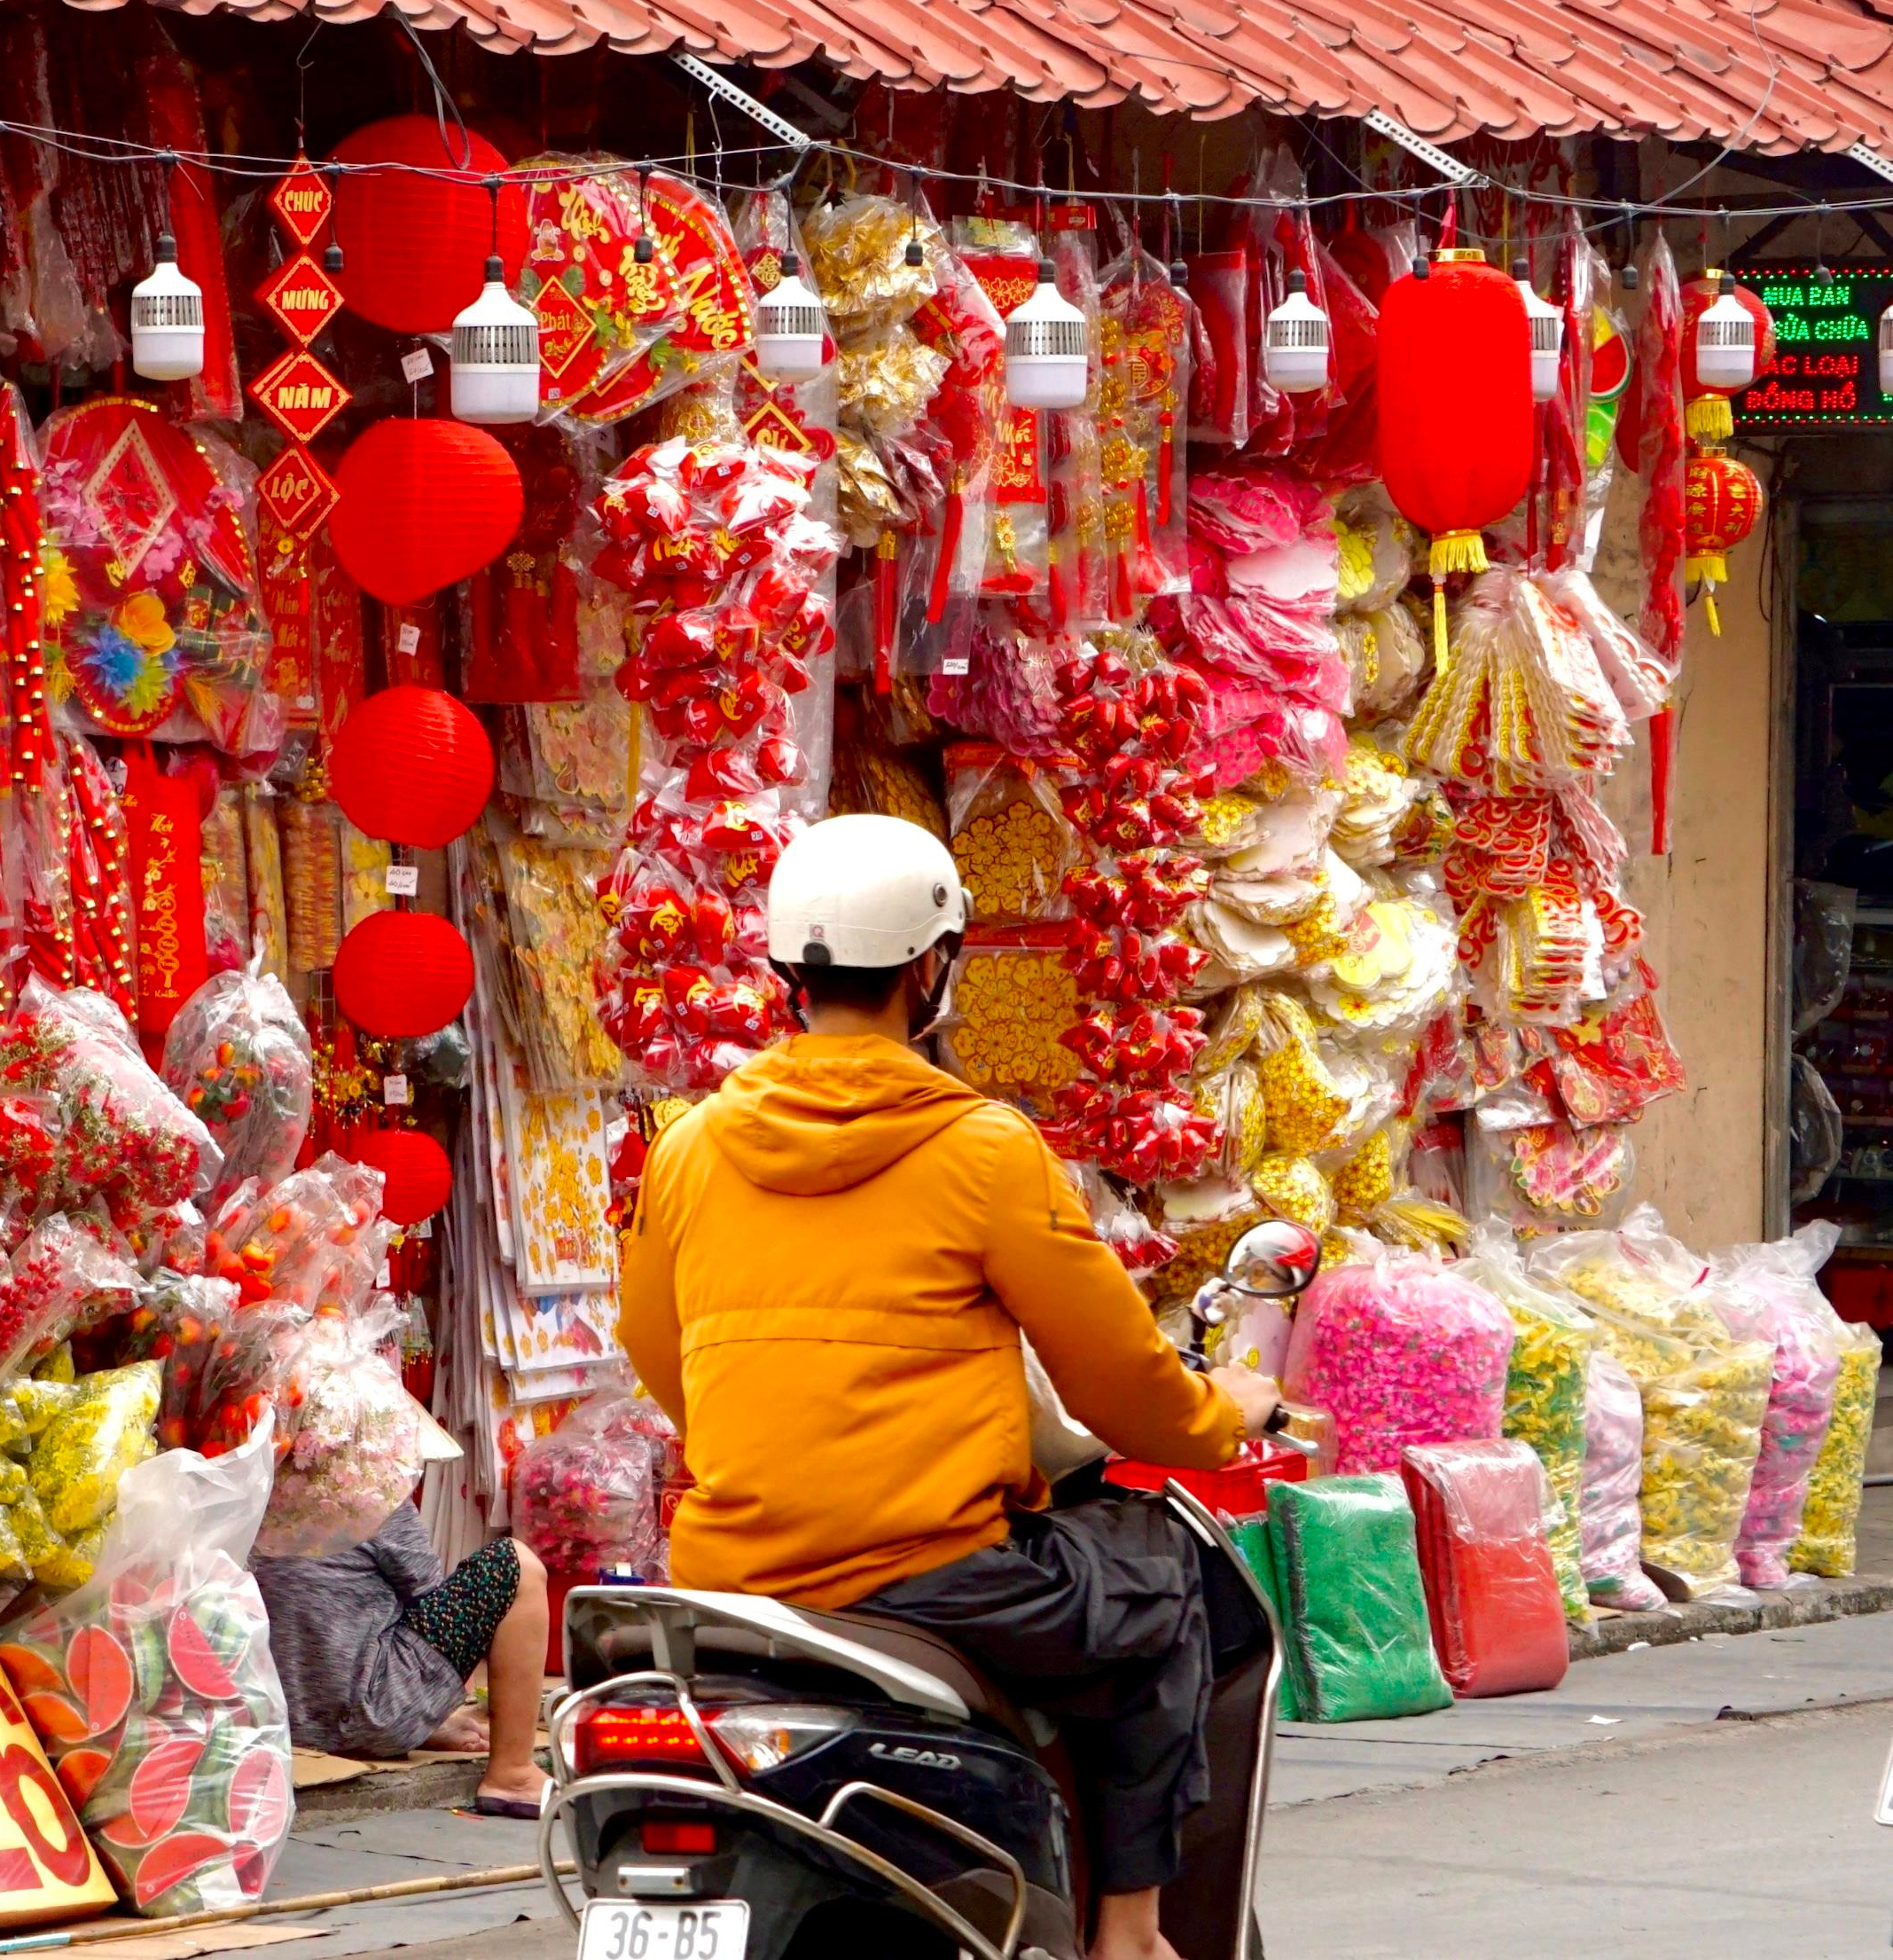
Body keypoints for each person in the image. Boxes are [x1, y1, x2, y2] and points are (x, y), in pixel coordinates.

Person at [618, 812, 1286, 1960]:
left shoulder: (689, 1148)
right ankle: (1129, 1932)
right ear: (930, 969)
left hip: (732, 1570)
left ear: (788, 973)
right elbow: (1120, 1384)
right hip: (921, 1576)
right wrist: (1222, 1415)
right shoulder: (981, 1146)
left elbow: (662, 1357)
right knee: (1157, 1578)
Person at [252, 1502, 552, 1818]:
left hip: (280, 1720)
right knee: (517, 1564)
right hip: (370, 1709)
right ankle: (514, 1773)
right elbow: (428, 1594)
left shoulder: (244, 1487)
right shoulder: (372, 1493)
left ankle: (414, 1721)